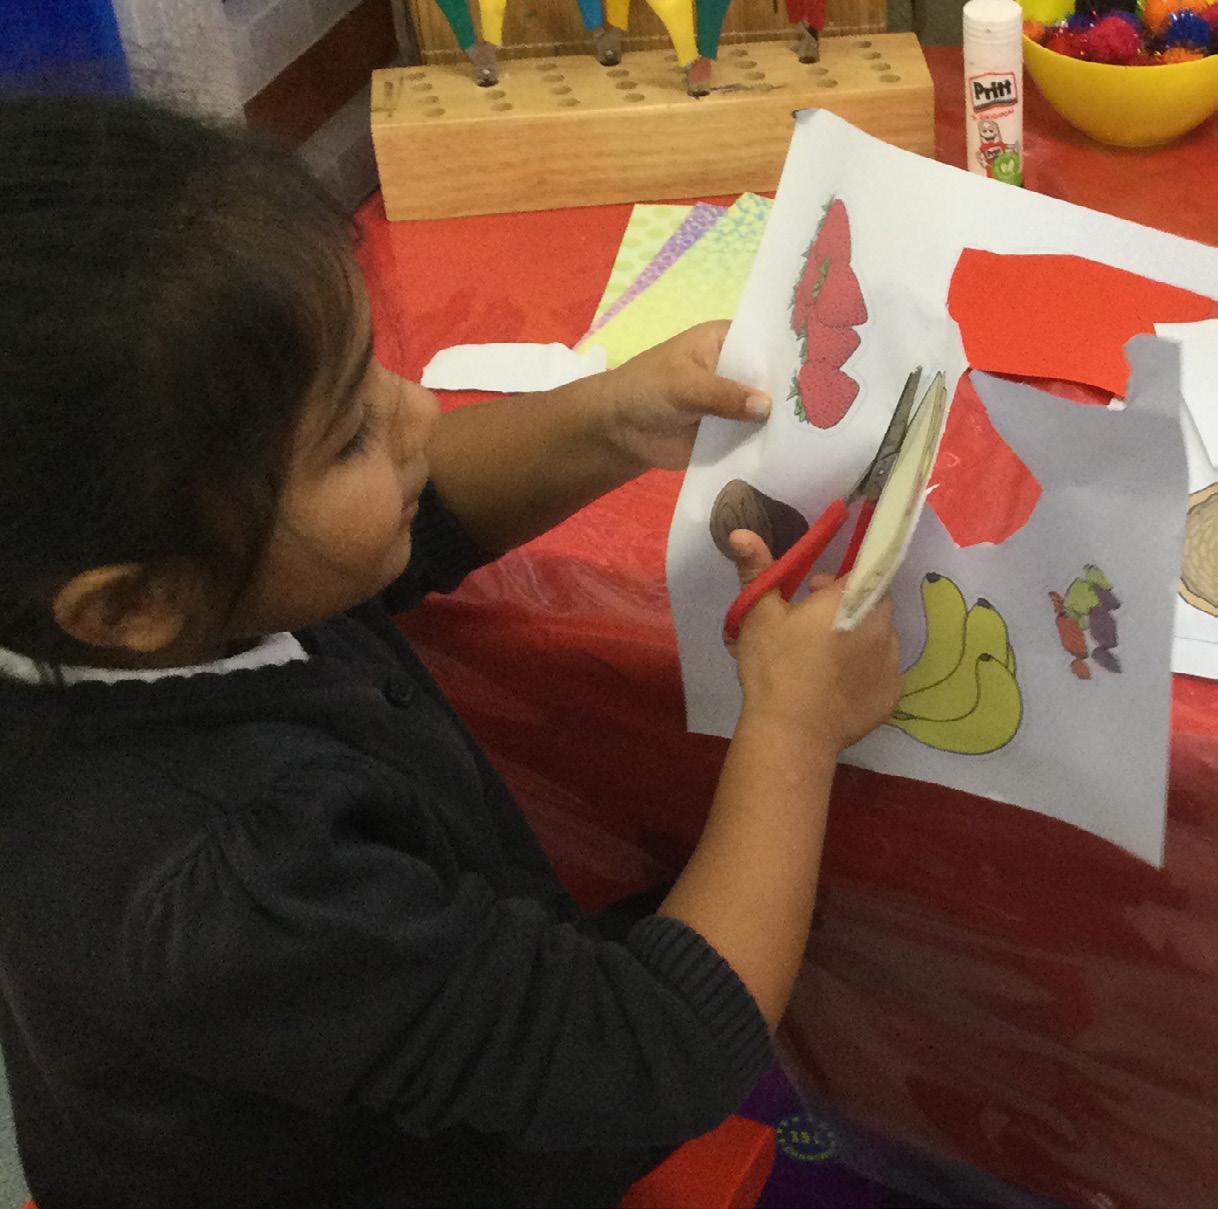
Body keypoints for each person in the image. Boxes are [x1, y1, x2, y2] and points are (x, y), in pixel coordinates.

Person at [0, 95, 901, 1209]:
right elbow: (660, 1050)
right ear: (134, 602)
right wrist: (794, 728)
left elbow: (410, 519)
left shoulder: (135, 600)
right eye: (350, 437)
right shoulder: (240, 888)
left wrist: (610, 417)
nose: (419, 411)